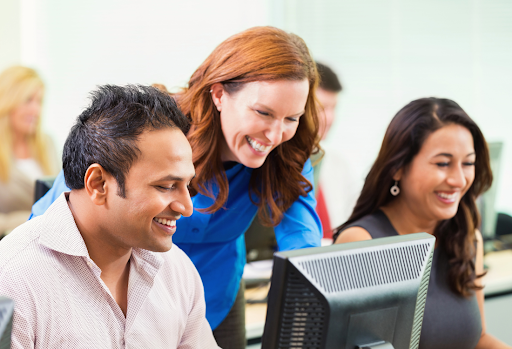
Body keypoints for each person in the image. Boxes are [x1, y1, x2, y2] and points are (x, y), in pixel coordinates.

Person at [30, 26, 322, 348]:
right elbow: (56, 218)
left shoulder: (286, 155)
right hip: (121, 292)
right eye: (263, 112)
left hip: (214, 294)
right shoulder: (155, 130)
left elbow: (302, 248)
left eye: (291, 118)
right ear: (219, 94)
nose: (275, 133)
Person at [0, 85, 220, 348]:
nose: (187, 208)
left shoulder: (176, 270)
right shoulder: (12, 280)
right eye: (165, 186)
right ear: (98, 184)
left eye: (187, 186)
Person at [333, 97, 511, 349]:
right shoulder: (362, 242)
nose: (459, 180)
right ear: (397, 167)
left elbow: (478, 338)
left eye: (468, 163)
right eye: (443, 163)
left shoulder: (468, 239)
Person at [0, 66, 58, 237]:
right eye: (28, 100)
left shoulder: (47, 143)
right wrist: (33, 218)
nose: (36, 110)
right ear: (8, 101)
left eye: (39, 101)